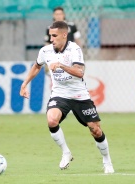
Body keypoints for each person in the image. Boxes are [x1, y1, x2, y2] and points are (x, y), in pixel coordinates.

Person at [20, 21, 114, 174]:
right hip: (60, 93)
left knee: (95, 130)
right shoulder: (45, 51)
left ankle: (107, 160)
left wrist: (62, 65)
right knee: (51, 120)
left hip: (79, 94)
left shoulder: (74, 49)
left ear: (64, 35)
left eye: (54, 36)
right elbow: (37, 66)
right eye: (50, 35)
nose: (51, 39)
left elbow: (80, 72)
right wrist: (25, 84)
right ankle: (66, 152)